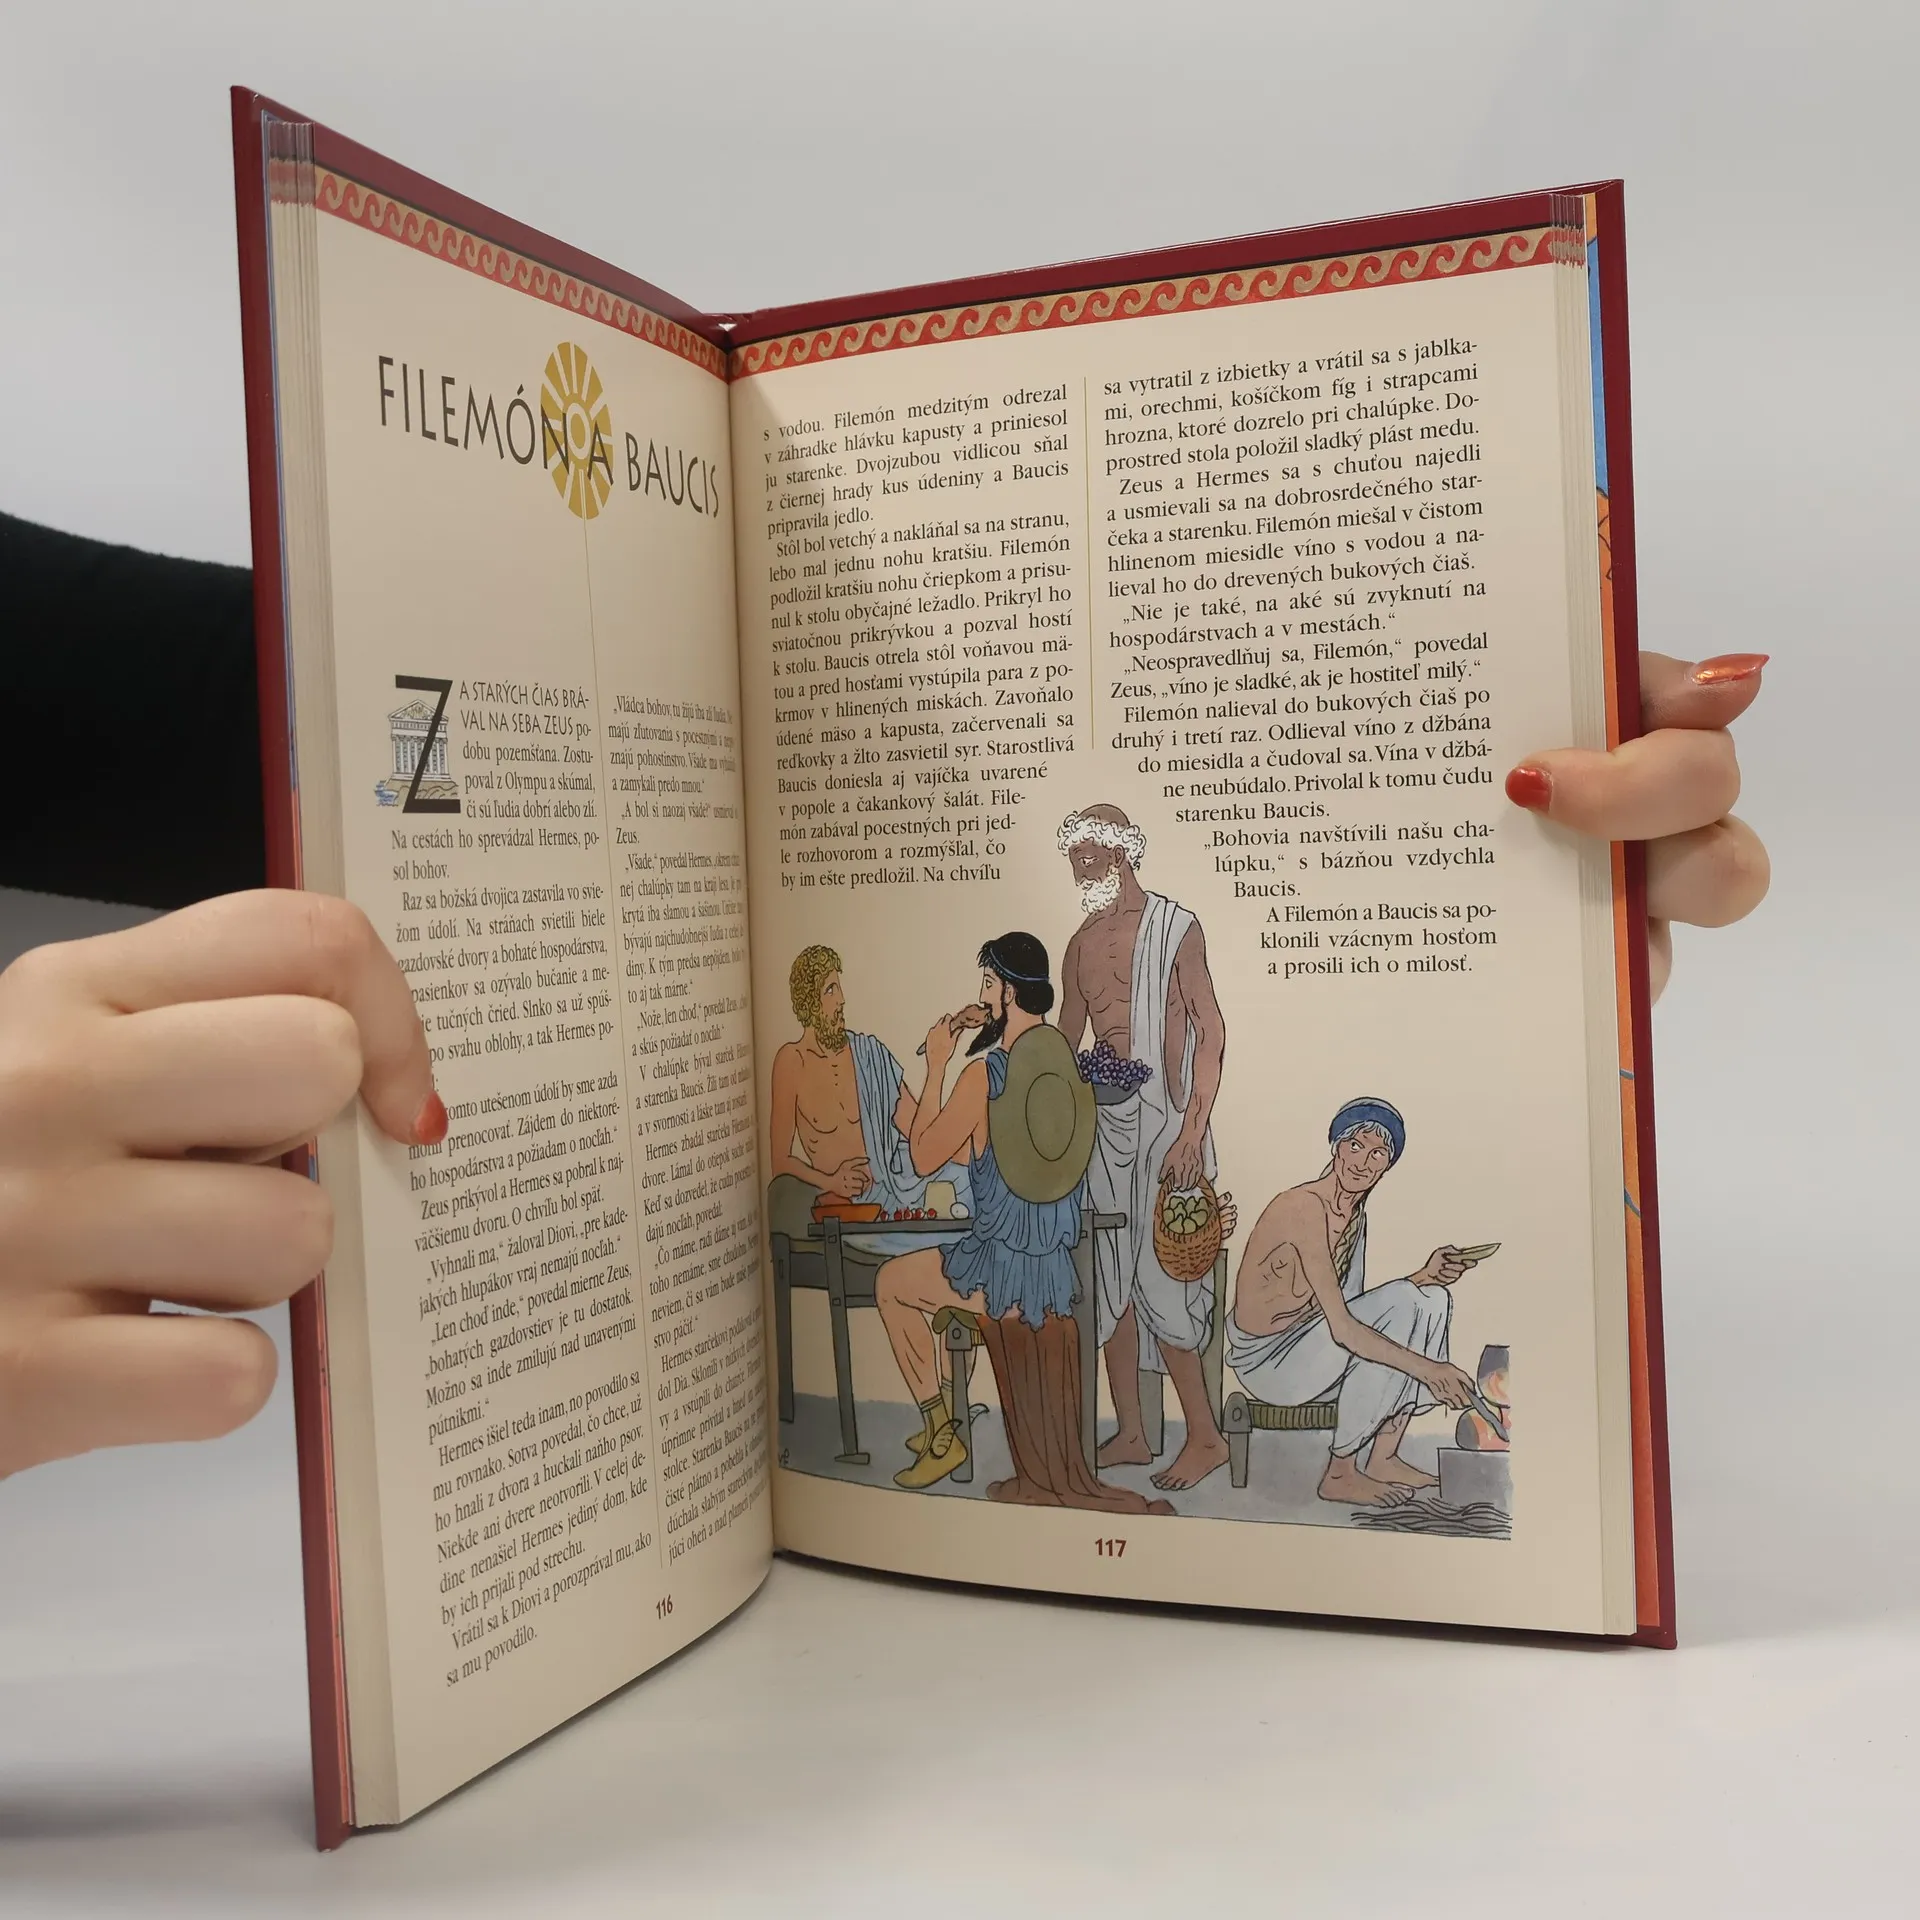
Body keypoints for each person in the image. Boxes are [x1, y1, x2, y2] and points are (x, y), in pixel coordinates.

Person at [0, 511, 1772, 1480]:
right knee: (1062, 1290)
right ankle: (1044, 1433)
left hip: (1094, 1163)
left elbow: (260, 716)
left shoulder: (1042, 1011)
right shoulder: (955, 1040)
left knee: (1100, 1291)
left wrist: (1432, 761)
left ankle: (1100, 1440)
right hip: (1029, 1185)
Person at [1057, 804, 1236, 1492]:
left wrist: (1192, 1131)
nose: (1081, 871)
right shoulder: (1079, 945)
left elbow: (1210, 1031)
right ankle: (1133, 1431)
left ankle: (1205, 1437)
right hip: (1104, 1131)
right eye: (1074, 861)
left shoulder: (1174, 927)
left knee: (1164, 1279)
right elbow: (1065, 1045)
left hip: (1166, 1125)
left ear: (1122, 853)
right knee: (1110, 1280)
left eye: (1090, 857)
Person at [1227, 1099, 1479, 1508]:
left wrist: (1424, 1276)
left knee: (1433, 1299)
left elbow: (1353, 1307)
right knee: (1402, 1302)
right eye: (1355, 1146)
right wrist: (1430, 1370)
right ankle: (1340, 1474)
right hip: (1269, 1363)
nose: (1362, 1162)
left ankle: (1383, 1457)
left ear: (1387, 1165)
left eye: (1377, 1154)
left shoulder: (1354, 1217)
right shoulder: (1304, 1207)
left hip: (1312, 1345)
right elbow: (1345, 1329)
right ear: (1336, 1147)